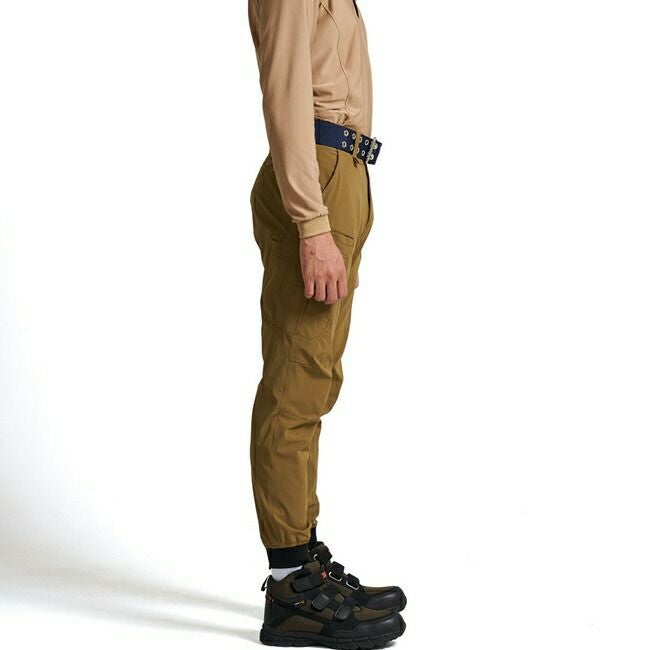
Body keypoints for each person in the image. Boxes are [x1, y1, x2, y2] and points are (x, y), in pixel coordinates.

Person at [248, 1, 406, 646]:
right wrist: (312, 224)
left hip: (342, 173)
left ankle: (305, 559)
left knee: (315, 381)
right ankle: (291, 586)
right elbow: (285, 91)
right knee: (295, 383)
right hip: (316, 177)